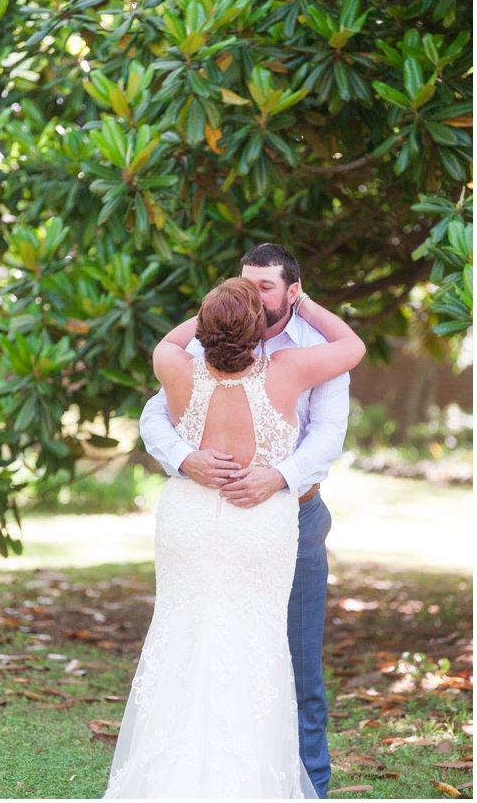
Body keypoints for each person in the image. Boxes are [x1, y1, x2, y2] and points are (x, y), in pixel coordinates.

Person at [106, 276, 364, 797]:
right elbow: (353, 346)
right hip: (258, 517)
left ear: (203, 328)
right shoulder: (289, 371)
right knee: (255, 645)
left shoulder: (173, 365)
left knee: (181, 636)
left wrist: (211, 314)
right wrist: (302, 301)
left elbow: (175, 341)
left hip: (189, 518)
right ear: (260, 330)